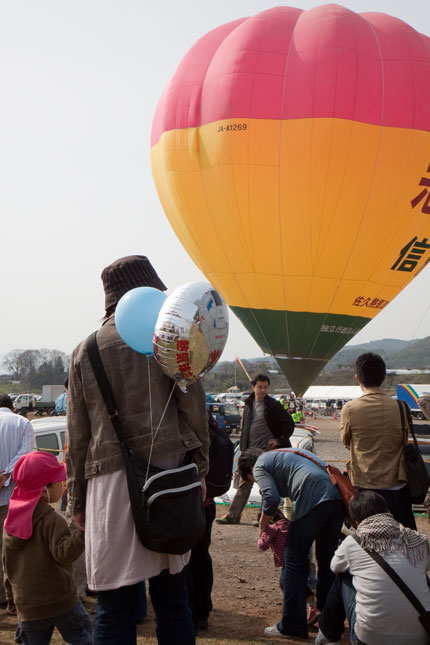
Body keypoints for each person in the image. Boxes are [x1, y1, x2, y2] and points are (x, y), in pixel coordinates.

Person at [66, 255, 208, 645]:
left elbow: (77, 436)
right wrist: (200, 469)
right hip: (169, 472)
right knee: (173, 598)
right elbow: (193, 410)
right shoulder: (171, 335)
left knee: (115, 605)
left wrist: (76, 500)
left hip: (108, 483)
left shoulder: (85, 350)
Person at [238, 447, 344, 639]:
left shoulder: (260, 464)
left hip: (312, 498)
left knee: (293, 560)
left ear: (251, 469)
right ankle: (329, 625)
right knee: (327, 560)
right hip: (336, 499)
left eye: (253, 479)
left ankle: (292, 626)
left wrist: (263, 524)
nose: (258, 483)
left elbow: (271, 497)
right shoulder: (288, 453)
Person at [315, 490, 430, 645]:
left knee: (344, 576)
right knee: (418, 572)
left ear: (357, 522)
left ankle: (326, 635)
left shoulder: (354, 542)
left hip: (371, 639)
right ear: (388, 512)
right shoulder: (417, 540)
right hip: (421, 637)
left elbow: (335, 566)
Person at [3, 451, 92, 645]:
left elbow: (7, 564)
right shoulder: (51, 519)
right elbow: (64, 554)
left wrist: (12, 599)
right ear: (44, 489)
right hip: (60, 601)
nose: (63, 487)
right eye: (59, 483)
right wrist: (83, 533)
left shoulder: (10, 521)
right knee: (83, 638)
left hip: (28, 607)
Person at [340, 352, 415, 529]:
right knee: (404, 539)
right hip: (397, 486)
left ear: (358, 378)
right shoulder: (401, 407)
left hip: (364, 487)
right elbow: (403, 440)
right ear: (383, 377)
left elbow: (346, 442)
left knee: (367, 542)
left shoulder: (350, 408)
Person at [217, 374, 294, 525]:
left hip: (267, 450)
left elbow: (289, 424)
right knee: (245, 481)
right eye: (260, 387)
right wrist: (243, 451)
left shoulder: (273, 405)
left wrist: (279, 440)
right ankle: (233, 515)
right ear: (253, 387)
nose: (263, 390)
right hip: (250, 449)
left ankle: (262, 517)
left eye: (266, 387)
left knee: (266, 483)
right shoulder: (248, 404)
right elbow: (245, 429)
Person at [0, 394, 33, 611]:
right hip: (13, 496)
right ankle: (12, 596)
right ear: (13, 407)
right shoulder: (23, 423)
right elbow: (25, 455)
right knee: (12, 546)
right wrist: (5, 475)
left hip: (10, 491)